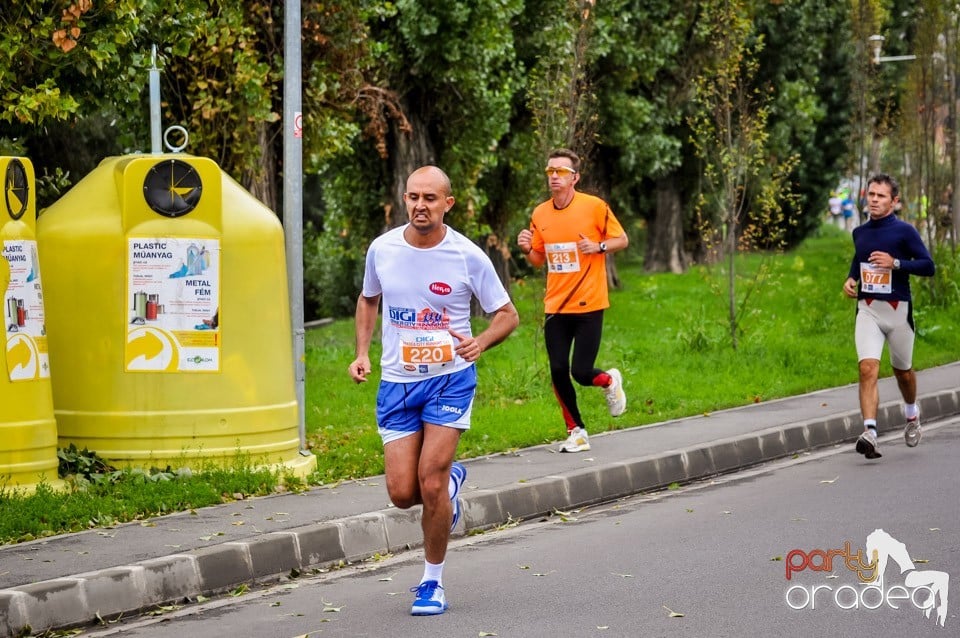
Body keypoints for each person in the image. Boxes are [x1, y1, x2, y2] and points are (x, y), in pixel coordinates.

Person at [348, 166, 519, 616]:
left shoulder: (466, 256)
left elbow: (507, 314)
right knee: (403, 493)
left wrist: (480, 342)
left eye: (430, 198)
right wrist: (362, 352)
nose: (420, 205)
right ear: (404, 199)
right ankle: (450, 485)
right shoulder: (382, 249)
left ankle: (431, 581)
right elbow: (369, 299)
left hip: (451, 378)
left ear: (448, 203)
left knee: (430, 481)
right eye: (413, 197)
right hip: (397, 382)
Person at [516, 149, 629, 454]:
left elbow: (622, 239)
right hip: (556, 305)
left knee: (581, 371)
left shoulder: (594, 207)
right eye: (550, 170)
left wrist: (598, 246)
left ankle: (608, 381)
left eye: (561, 172)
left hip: (589, 303)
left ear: (574, 178)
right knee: (556, 369)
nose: (554, 176)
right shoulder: (540, 213)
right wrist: (527, 248)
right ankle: (576, 431)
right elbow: (539, 260)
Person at [842, 173, 935, 460]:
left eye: (881, 196)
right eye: (871, 194)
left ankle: (911, 413)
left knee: (902, 372)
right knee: (867, 368)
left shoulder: (905, 232)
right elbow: (860, 259)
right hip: (868, 309)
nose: (874, 200)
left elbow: (927, 266)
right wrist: (850, 279)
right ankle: (870, 432)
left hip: (898, 311)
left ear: (894, 201)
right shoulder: (860, 232)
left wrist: (895, 263)